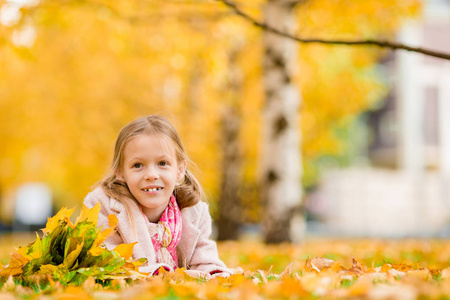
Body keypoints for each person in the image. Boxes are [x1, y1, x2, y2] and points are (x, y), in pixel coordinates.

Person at [84, 115, 232, 278]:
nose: (151, 175)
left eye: (162, 163)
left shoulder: (195, 212)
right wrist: (160, 274)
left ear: (180, 170)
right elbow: (110, 261)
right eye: (137, 165)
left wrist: (215, 274)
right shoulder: (103, 207)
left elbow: (205, 260)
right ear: (120, 172)